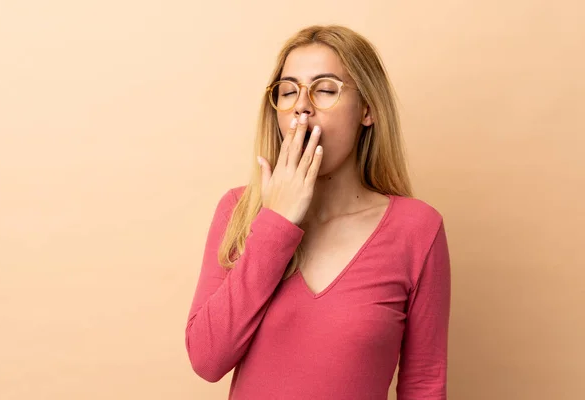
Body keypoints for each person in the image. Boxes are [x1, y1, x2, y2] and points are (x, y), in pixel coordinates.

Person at [185, 24, 451, 400]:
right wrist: (276, 225)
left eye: (325, 89)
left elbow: (424, 384)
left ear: (368, 109)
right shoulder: (238, 211)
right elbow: (206, 359)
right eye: (289, 91)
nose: (302, 105)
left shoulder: (418, 228)